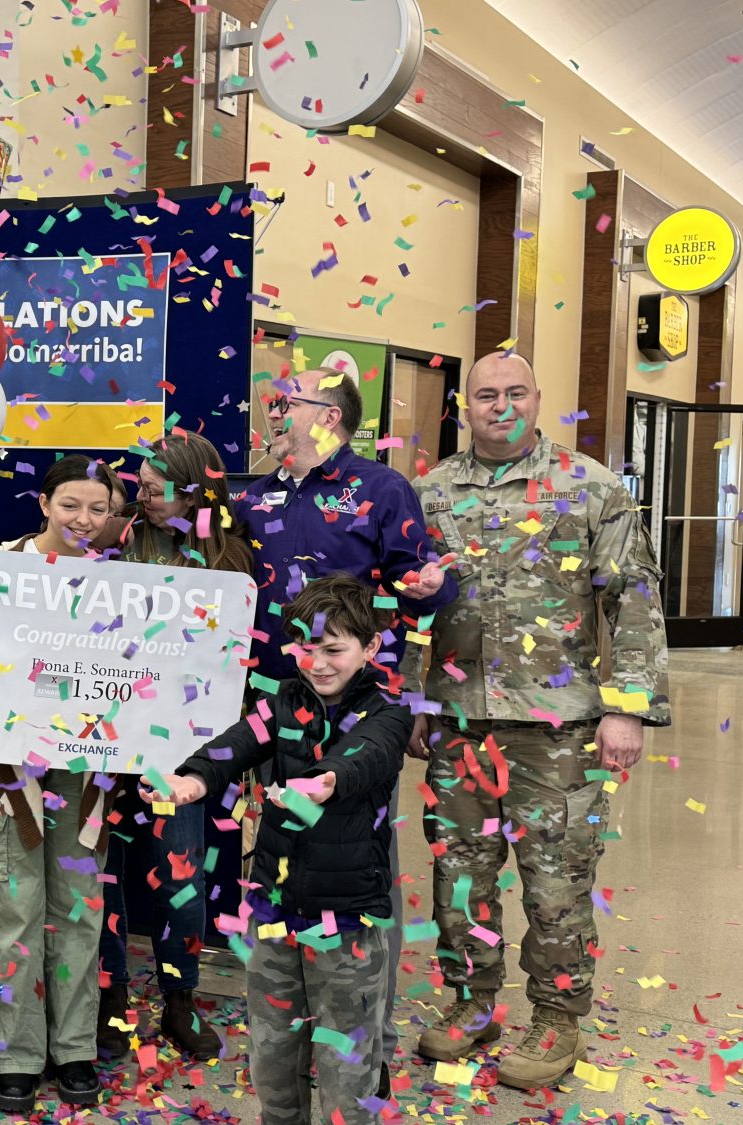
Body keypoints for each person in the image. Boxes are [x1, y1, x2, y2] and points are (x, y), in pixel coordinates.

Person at [407, 351, 671, 1089]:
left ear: (538, 398)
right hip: (459, 721)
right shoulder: (428, 494)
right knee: (461, 875)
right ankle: (472, 999)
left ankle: (556, 1015)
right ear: (466, 407)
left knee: (555, 881)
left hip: (560, 727)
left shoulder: (590, 488)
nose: (500, 405)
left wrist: (628, 709)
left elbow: (634, 599)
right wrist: (413, 699)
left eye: (514, 392)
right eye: (486, 394)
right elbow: (402, 605)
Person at [233, 368, 457, 1090]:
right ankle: (292, 1021)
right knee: (284, 857)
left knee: (359, 868)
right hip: (274, 705)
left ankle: (372, 1036)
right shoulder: (256, 493)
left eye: (284, 404)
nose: (271, 414)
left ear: (327, 415)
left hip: (354, 712)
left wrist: (430, 585)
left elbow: (429, 582)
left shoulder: (382, 489)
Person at [144, 573, 412, 1125]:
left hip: (349, 921)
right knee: (271, 1058)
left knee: (347, 1067)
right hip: (272, 915)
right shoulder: (283, 701)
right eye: (306, 650)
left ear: (371, 648)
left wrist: (325, 780)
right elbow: (236, 743)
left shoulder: (389, 711)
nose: (318, 664)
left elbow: (367, 755)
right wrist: (193, 779)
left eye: (334, 650)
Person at [0, 454, 121, 1114]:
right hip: (8, 772)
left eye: (98, 509)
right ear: (44, 503)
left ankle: (74, 1048)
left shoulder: (121, 585)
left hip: (86, 772)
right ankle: (16, 1055)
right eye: (71, 504)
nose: (84, 519)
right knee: (15, 914)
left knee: (79, 911)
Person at [97, 428, 253, 1059]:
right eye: (142, 477)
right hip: (106, 736)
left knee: (179, 882)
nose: (148, 488)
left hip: (185, 752)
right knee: (102, 874)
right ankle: (109, 1000)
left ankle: (179, 1002)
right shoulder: (122, 534)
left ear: (197, 482)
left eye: (160, 479)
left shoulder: (230, 558)